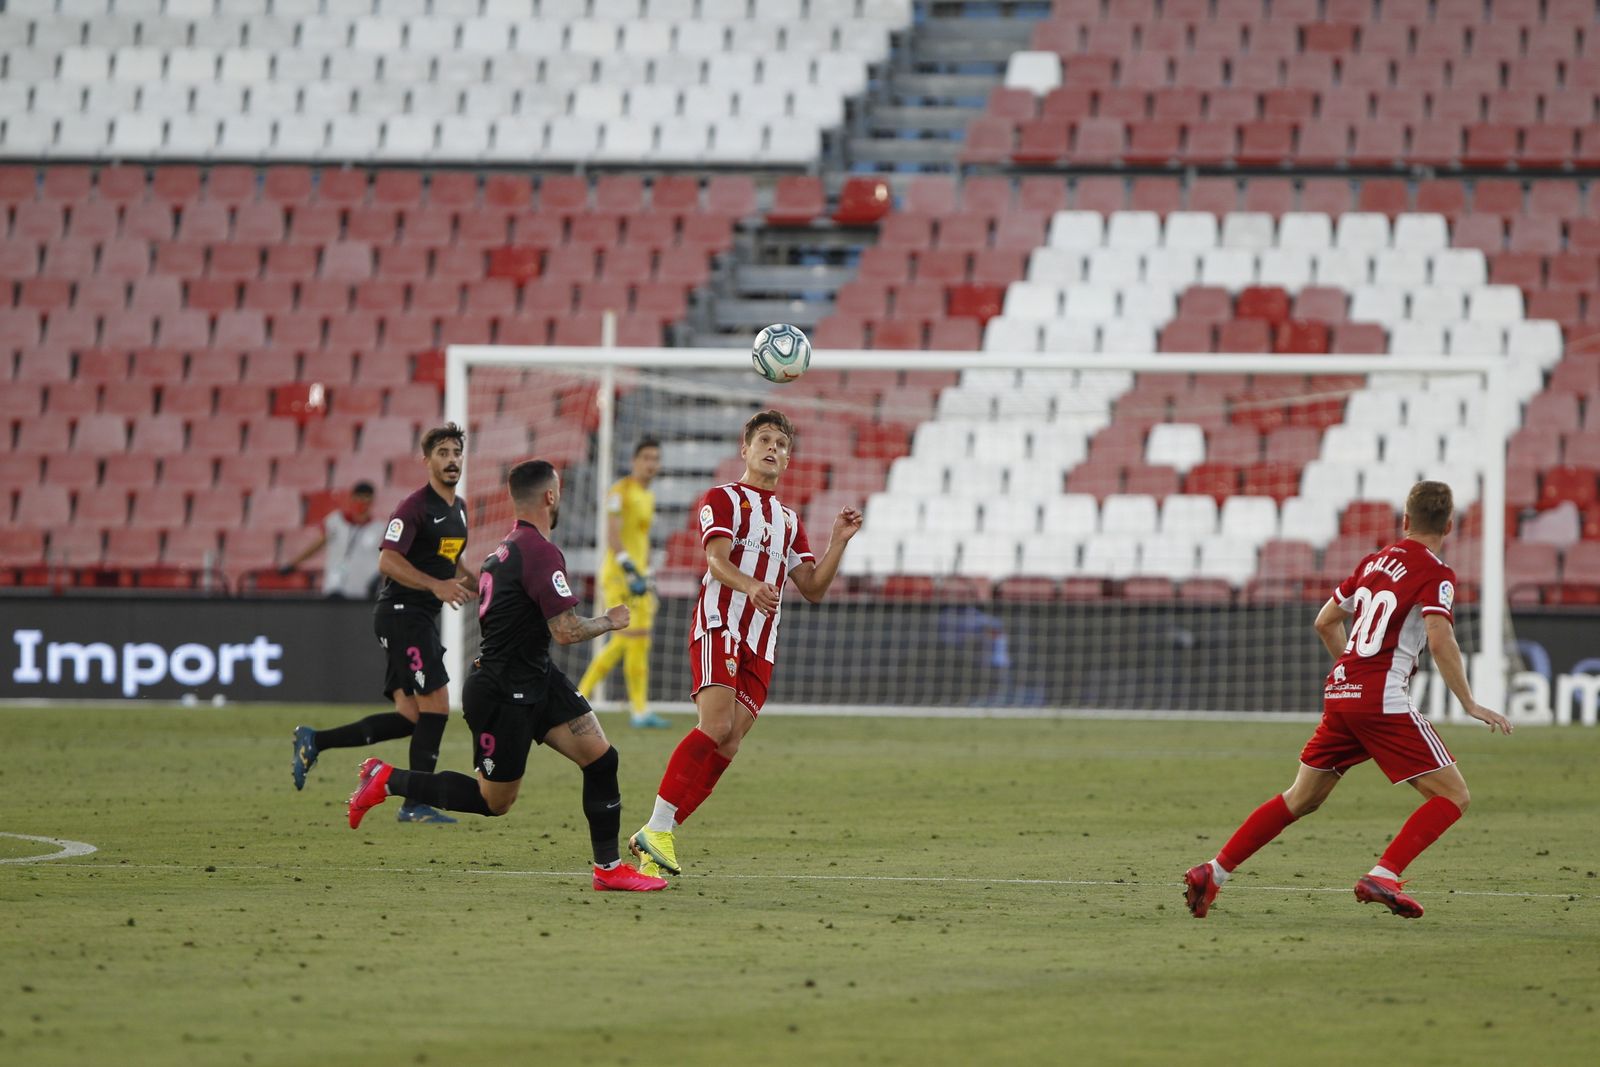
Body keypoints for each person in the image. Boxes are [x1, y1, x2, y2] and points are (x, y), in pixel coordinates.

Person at [1183, 480, 1513, 920]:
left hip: (1342, 692)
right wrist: (1469, 702)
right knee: (1453, 796)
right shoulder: (1437, 574)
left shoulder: (1373, 562)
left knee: (1300, 798)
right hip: (1380, 699)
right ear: (1449, 525)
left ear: (1405, 520)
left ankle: (1213, 872)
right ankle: (1384, 874)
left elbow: (1325, 622)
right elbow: (1440, 637)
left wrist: (1354, 673)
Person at [346, 459, 668, 892]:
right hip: (503, 690)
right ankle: (387, 780)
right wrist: (609, 620)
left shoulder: (504, 549)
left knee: (601, 758)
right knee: (493, 802)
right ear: (551, 496)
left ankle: (608, 870)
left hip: (536, 676)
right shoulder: (539, 551)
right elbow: (567, 630)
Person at [629, 410, 863, 879]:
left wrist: (838, 542)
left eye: (780, 443)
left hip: (762, 642)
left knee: (730, 743)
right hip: (721, 625)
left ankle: (656, 835)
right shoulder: (723, 499)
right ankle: (657, 829)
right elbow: (715, 562)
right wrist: (752, 586)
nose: (772, 448)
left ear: (789, 458)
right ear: (745, 448)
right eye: (764, 440)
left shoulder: (789, 520)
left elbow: (813, 588)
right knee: (714, 725)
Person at [291, 424, 477, 825]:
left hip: (417, 617)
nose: (451, 459)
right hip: (402, 615)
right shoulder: (413, 508)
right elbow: (388, 560)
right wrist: (436, 585)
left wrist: (478, 584)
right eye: (442, 452)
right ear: (426, 461)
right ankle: (414, 802)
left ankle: (315, 740)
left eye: (456, 452)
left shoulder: (459, 508)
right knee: (438, 706)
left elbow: (453, 562)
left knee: (412, 717)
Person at [577, 436, 671, 728]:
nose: (651, 464)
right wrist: (629, 569)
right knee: (631, 639)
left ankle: (585, 697)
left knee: (631, 642)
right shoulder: (620, 491)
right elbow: (613, 535)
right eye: (646, 458)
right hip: (620, 576)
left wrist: (646, 571)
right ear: (634, 461)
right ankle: (629, 708)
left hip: (639, 576)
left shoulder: (649, 495)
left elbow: (639, 539)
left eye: (656, 459)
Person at [279, 481, 384, 599]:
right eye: (359, 497)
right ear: (352, 498)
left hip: (364, 589)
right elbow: (317, 545)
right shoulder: (336, 521)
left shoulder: (379, 528)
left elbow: (385, 557)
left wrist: (380, 578)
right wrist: (294, 564)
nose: (362, 502)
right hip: (336, 587)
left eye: (366, 498)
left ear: (372, 501)